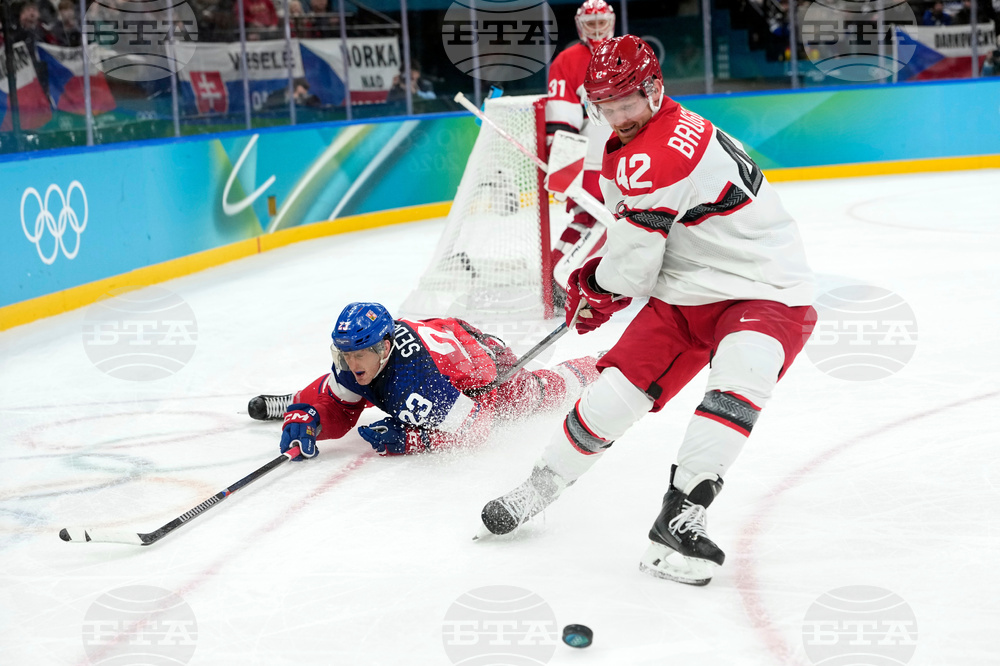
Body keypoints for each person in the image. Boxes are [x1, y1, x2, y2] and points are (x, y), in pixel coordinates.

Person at [478, 35, 817, 586]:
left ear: (655, 89)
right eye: (604, 107)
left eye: (626, 104)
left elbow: (632, 270)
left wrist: (596, 287)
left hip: (765, 285)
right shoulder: (642, 135)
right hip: (687, 286)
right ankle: (539, 487)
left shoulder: (655, 156)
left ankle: (680, 516)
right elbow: (637, 244)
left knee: (741, 377)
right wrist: (600, 281)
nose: (616, 116)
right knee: (613, 398)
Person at [249, 302, 600, 459]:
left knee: (534, 393)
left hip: (481, 368)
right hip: (437, 339)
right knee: (357, 382)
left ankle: (595, 365)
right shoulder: (363, 357)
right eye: (344, 353)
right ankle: (297, 401)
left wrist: (413, 436)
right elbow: (342, 406)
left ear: (384, 347)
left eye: (359, 353)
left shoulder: (420, 388)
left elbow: (479, 426)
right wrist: (314, 417)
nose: (349, 361)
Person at [545, 0, 616, 286]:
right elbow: (562, 122)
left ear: (610, 22)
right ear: (580, 26)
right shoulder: (568, 60)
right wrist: (564, 168)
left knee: (632, 224)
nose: (597, 30)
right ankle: (554, 280)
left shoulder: (626, 53)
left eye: (601, 23)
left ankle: (610, 280)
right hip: (589, 163)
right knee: (587, 222)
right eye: (591, 24)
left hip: (627, 160)